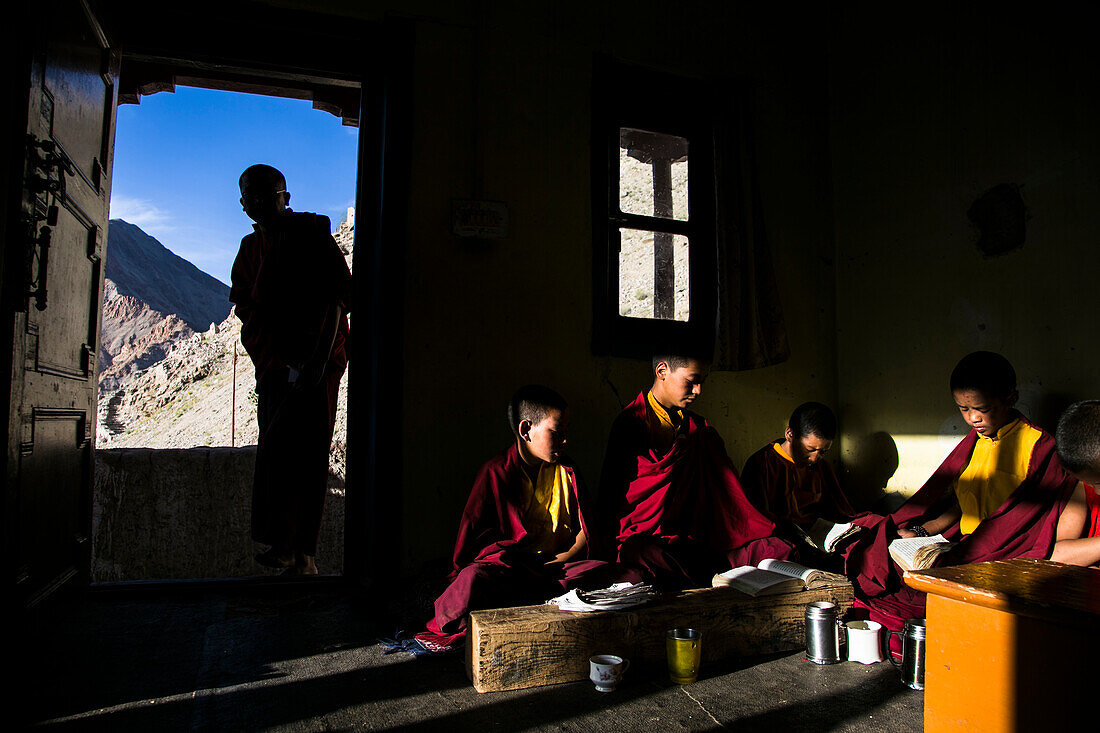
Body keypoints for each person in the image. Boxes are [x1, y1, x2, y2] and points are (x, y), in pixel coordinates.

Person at [843, 351, 1077, 635]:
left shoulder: (1039, 448)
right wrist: (920, 530)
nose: (973, 418)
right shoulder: (976, 440)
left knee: (915, 592)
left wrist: (959, 554)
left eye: (983, 409)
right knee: (871, 552)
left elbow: (1025, 525)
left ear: (1010, 400)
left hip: (999, 553)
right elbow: (961, 504)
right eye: (964, 410)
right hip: (958, 543)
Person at [414, 385, 639, 653]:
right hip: (514, 571)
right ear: (525, 430)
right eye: (557, 433)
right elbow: (474, 546)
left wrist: (565, 557)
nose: (565, 441)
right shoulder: (495, 473)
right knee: (472, 580)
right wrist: (520, 563)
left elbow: (585, 530)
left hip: (560, 569)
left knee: (633, 576)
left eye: (567, 432)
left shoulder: (567, 470)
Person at [230, 164, 352, 575]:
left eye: (270, 195)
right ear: (244, 204)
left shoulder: (312, 234)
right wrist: (274, 359)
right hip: (273, 364)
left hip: (317, 363)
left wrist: (318, 359)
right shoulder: (250, 250)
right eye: (253, 197)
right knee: (275, 452)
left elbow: (338, 297)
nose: (261, 204)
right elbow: (247, 305)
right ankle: (282, 546)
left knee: (310, 454)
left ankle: (305, 555)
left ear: (287, 197)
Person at [599, 355, 793, 590]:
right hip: (650, 540)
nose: (698, 390)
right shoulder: (630, 424)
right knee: (640, 553)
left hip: (696, 538)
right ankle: (711, 578)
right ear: (662, 371)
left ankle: (709, 576)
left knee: (775, 546)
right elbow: (611, 498)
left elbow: (730, 500)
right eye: (692, 381)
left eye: (702, 382)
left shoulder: (699, 431)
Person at [741, 401, 858, 534]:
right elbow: (756, 521)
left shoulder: (821, 466)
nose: (814, 458)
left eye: (822, 452)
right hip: (781, 538)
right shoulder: (762, 463)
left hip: (820, 535)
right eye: (809, 449)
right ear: (790, 434)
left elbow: (840, 511)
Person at [1050, 400, 1100, 567]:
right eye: (1091, 484)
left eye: (1099, 483)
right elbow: (1057, 555)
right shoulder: (1084, 487)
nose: (1097, 492)